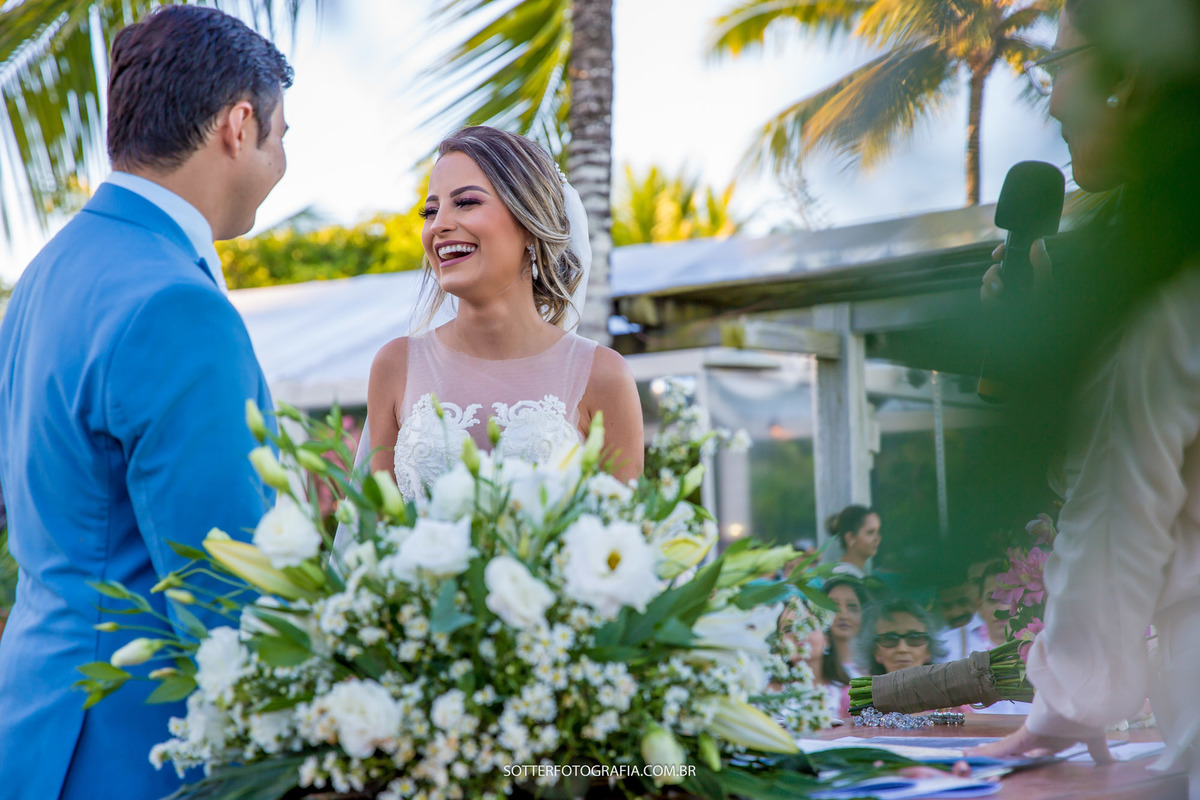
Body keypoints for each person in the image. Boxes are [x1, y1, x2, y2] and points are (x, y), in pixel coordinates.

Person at [0, 8, 290, 799]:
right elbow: (224, 585)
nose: (284, 159)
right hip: (137, 750)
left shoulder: (45, 277)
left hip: (35, 724)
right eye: (282, 133)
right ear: (239, 125)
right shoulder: (175, 303)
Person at [972, 0, 1200, 784]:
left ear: (1133, 74)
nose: (1054, 102)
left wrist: (1067, 705)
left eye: (1060, 71)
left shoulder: (1164, 272)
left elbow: (1119, 500)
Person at [366, 126, 643, 499]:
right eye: (430, 211)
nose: (439, 225)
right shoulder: (395, 365)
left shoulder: (604, 375)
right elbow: (377, 535)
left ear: (529, 224)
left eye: (466, 202)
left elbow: (622, 540)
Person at [856, 597, 946, 677]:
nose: (902, 649)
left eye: (914, 637)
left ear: (928, 650)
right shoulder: (858, 695)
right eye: (890, 639)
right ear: (876, 652)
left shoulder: (948, 694)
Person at [933, 568, 991, 663]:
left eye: (963, 602)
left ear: (976, 599)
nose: (957, 613)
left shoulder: (996, 628)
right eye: (947, 606)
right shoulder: (939, 642)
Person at [822, 576, 869, 681]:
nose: (843, 615)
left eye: (852, 607)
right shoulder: (814, 667)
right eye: (833, 607)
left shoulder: (876, 668)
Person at [826, 505, 882, 578]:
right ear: (850, 538)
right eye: (870, 532)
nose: (878, 538)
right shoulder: (843, 579)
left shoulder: (852, 574)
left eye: (878, 531)